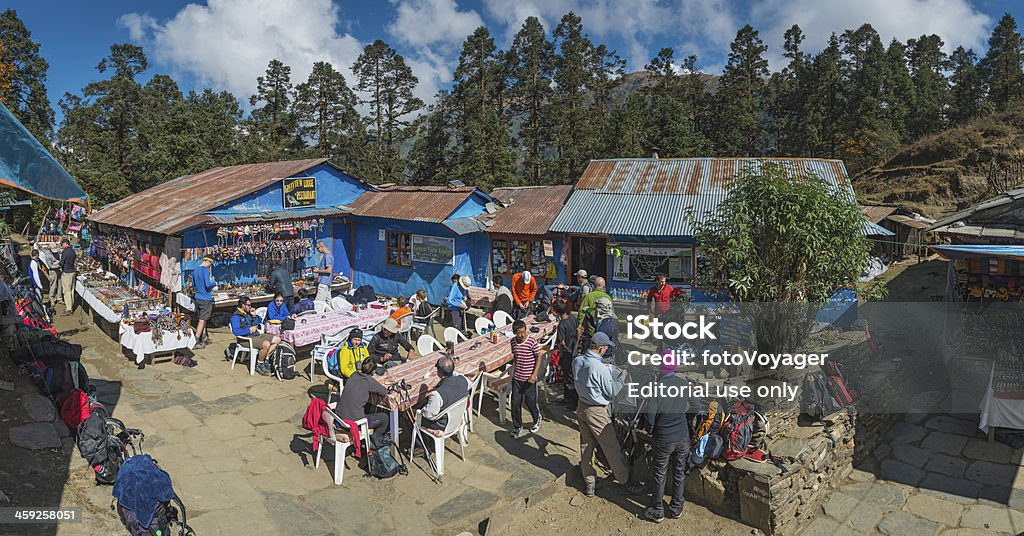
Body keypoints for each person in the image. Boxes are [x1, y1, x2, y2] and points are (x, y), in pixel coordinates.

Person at [573, 331, 644, 497]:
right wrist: (622, 377)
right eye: (605, 348)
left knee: (586, 446)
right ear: (600, 348)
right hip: (597, 410)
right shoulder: (599, 368)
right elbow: (612, 392)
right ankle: (625, 480)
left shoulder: (578, 361)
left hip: (581, 405)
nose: (606, 351)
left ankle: (589, 482)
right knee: (611, 447)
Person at [641, 356, 693, 523]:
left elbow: (649, 418)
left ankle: (657, 510)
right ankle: (676, 507)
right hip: (682, 436)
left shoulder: (656, 388)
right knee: (679, 471)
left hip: (663, 438)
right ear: (675, 367)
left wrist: (651, 431)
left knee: (660, 473)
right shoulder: (684, 384)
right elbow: (697, 406)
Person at [336, 357, 390, 447]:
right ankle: (376, 440)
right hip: (354, 422)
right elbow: (383, 391)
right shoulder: (368, 381)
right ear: (373, 371)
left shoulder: (354, 374)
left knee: (366, 406)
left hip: (339, 417)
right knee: (385, 418)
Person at [417, 356, 471, 437]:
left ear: (439, 372)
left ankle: (421, 445)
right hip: (458, 417)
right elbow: (468, 384)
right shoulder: (464, 380)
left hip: (443, 424)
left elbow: (428, 414)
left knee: (411, 414)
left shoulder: (437, 395)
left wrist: (420, 411)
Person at [509, 320, 543, 438]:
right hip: (517, 378)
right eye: (519, 333)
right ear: (514, 333)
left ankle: (536, 418)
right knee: (515, 403)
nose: (522, 335)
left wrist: (534, 374)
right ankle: (517, 426)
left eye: (523, 332)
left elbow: (539, 356)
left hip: (529, 379)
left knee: (530, 402)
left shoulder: (531, 342)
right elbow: (516, 357)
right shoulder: (513, 342)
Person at [230, 296, 280, 376]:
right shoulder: (236, 317)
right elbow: (236, 332)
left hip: (256, 335)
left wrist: (254, 316)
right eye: (249, 305)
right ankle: (259, 364)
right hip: (246, 339)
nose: (250, 307)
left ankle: (265, 359)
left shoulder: (248, 313)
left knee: (277, 339)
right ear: (243, 305)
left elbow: (260, 322)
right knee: (266, 344)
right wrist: (249, 330)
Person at [553, 300, 579, 407]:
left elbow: (562, 343)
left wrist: (561, 355)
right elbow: (578, 331)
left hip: (567, 354)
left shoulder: (561, 325)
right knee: (573, 377)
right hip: (575, 350)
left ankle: (570, 400)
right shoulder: (573, 317)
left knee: (567, 378)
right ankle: (572, 399)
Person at [577, 277, 613, 346]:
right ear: (604, 286)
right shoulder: (608, 298)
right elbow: (612, 314)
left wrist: (579, 325)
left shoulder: (589, 296)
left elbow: (581, 312)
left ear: (594, 285)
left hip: (590, 330)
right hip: (603, 330)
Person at [192, 256, 217, 349]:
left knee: (203, 318)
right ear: (207, 261)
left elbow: (193, 284)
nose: (210, 266)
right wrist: (214, 283)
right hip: (205, 298)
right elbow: (207, 284)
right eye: (210, 263)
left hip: (197, 297)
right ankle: (196, 341)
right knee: (202, 320)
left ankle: (204, 337)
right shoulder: (205, 270)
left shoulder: (195, 270)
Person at [58, 239, 76, 315]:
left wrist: (58, 263)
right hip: (72, 271)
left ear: (65, 244)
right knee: (71, 289)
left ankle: (68, 309)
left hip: (67, 272)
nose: (61, 246)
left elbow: (62, 263)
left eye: (62, 245)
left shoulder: (65, 252)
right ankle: (71, 305)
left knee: (66, 291)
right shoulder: (73, 251)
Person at [314, 241, 334, 309]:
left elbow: (328, 270)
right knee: (329, 302)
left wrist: (318, 271)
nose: (318, 250)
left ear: (322, 247)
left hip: (324, 283)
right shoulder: (329, 255)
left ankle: (316, 317)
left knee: (318, 303)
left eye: (317, 248)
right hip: (327, 282)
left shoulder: (327, 256)